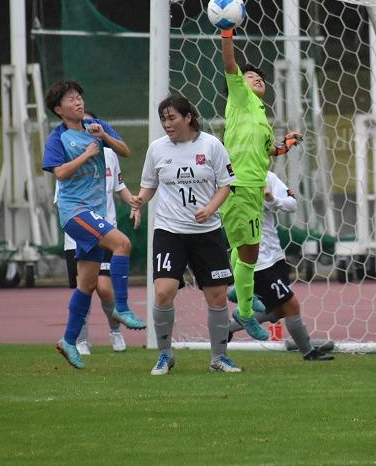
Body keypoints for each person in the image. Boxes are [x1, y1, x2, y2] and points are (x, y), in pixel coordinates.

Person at [42, 80, 145, 370]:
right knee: (122, 243)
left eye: (79, 97)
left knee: (86, 284)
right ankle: (122, 309)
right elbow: (59, 173)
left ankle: (69, 341)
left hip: (95, 212)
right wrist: (88, 153)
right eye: (71, 99)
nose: (78, 102)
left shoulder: (96, 126)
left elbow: (124, 151)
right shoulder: (57, 138)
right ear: (58, 109)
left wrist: (105, 138)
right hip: (75, 212)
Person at [134, 94, 240, 374]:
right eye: (163, 119)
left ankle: (219, 358)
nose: (167, 124)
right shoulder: (157, 149)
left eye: (172, 118)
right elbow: (149, 185)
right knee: (164, 291)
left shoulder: (211, 145)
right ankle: (165, 355)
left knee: (217, 296)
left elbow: (226, 185)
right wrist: (139, 201)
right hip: (170, 231)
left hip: (207, 232)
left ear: (188, 117)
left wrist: (209, 209)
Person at [219, 23, 302, 341]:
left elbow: (268, 150)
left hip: (254, 189)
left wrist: (285, 145)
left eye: (260, 79)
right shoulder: (239, 99)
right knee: (249, 252)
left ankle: (238, 294)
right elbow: (230, 64)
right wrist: (226, 33)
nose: (256, 80)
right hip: (239, 186)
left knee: (246, 251)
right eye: (250, 77)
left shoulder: (261, 117)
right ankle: (243, 312)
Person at [226, 170, 334, 361]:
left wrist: (271, 199)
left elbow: (292, 204)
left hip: (275, 255)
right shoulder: (230, 177)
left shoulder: (267, 176)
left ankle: (231, 326)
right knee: (291, 305)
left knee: (278, 310)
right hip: (257, 260)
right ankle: (309, 353)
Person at [58, 140, 139, 355]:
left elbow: (120, 187)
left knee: (104, 288)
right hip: (78, 236)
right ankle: (79, 339)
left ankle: (115, 330)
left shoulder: (109, 155)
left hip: (106, 234)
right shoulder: (68, 159)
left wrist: (134, 204)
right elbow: (61, 201)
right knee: (84, 286)